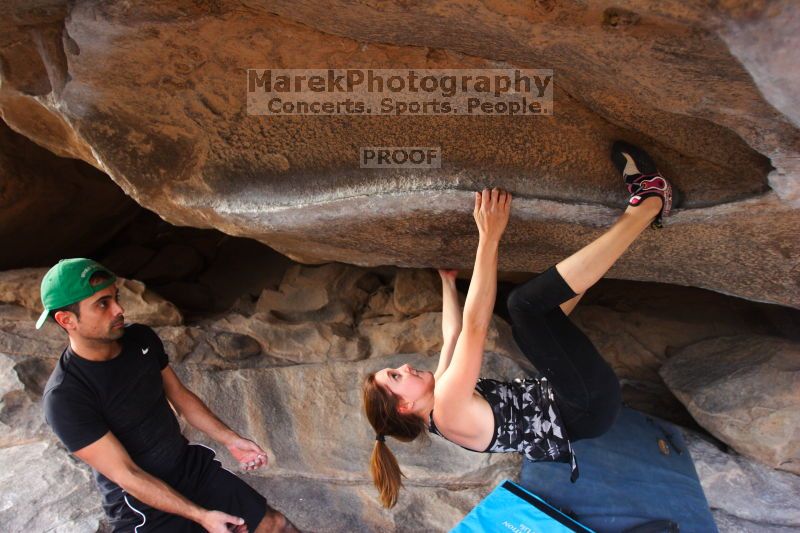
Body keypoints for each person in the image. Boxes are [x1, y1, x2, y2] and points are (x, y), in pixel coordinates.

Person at [362, 141, 678, 508]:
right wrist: (489, 237)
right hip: (584, 405)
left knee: (539, 315)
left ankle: (635, 218)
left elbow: (453, 337)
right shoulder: (447, 408)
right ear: (404, 407)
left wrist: (447, 283)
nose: (403, 367)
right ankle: (651, 197)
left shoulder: (438, 402)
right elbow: (475, 327)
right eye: (396, 378)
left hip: (574, 399)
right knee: (523, 307)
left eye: (393, 369)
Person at [38, 258, 300, 532]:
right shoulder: (65, 397)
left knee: (274, 525)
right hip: (140, 503)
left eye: (116, 297)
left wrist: (231, 439)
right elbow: (127, 475)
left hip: (188, 468)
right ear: (66, 320)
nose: (119, 309)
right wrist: (201, 516)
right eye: (102, 304)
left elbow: (179, 395)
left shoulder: (140, 338)